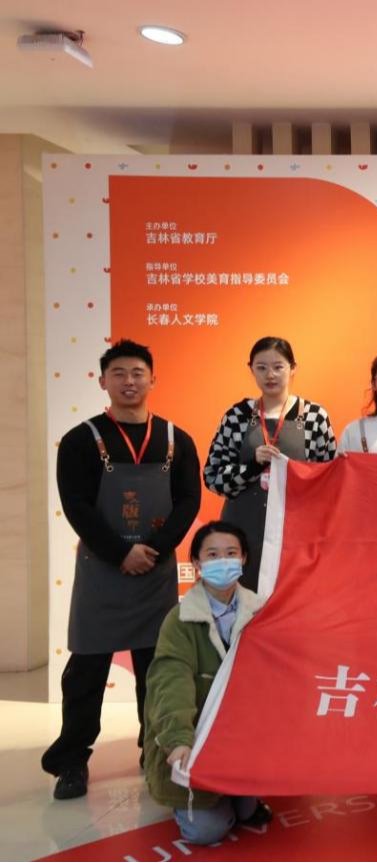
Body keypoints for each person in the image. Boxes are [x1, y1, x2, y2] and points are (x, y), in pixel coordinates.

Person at [42, 340, 202, 800]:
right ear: (103, 381)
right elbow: (76, 505)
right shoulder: (80, 440)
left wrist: (153, 550)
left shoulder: (175, 439)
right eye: (119, 373)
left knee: (158, 667)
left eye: (137, 373)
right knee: (86, 670)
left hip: (155, 569)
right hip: (102, 569)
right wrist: (120, 553)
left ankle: (155, 748)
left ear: (153, 379)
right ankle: (71, 760)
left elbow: (188, 501)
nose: (129, 382)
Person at [142, 521, 272, 845]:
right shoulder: (180, 620)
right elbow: (171, 681)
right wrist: (177, 739)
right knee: (206, 831)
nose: (222, 561)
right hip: (196, 738)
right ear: (197, 563)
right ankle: (219, 800)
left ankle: (237, 795)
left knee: (246, 809)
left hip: (241, 737)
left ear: (244, 558)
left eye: (231, 553)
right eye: (212, 555)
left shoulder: (262, 613)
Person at [204, 337, 336, 591]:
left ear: (293, 368)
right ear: (251, 369)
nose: (270, 375)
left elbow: (330, 480)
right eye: (261, 367)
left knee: (294, 600)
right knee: (243, 603)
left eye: (278, 367)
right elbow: (213, 477)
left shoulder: (314, 417)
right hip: (243, 531)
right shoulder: (237, 416)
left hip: (297, 534)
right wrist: (251, 467)